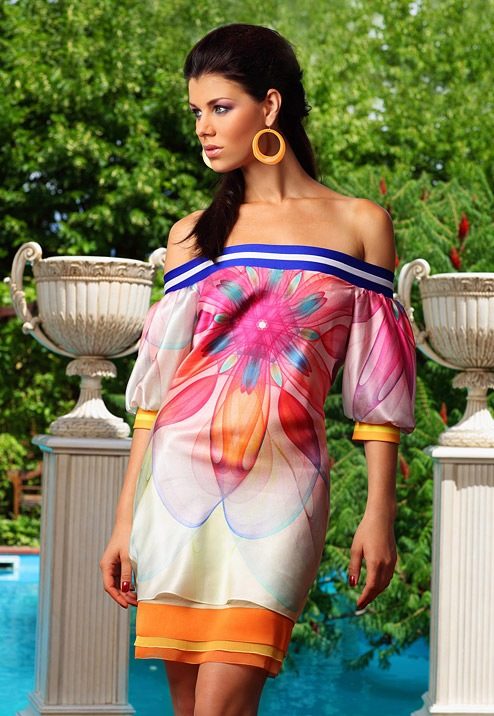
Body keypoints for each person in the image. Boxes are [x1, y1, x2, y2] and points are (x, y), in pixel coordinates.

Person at [99, 22, 416, 716]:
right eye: (196, 111)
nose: (204, 128)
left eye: (220, 107)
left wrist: (379, 512)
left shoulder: (360, 224)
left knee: (223, 707)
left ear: (269, 106)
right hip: (176, 490)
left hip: (283, 494)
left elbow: (377, 389)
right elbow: (155, 395)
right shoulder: (192, 235)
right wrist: (124, 521)